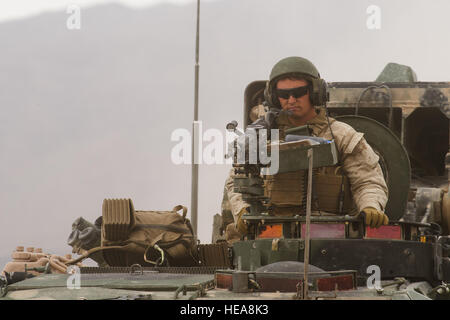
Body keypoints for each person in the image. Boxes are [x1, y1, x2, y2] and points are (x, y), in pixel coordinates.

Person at [224, 56, 389, 239]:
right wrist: (242, 211)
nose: (292, 100)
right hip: (272, 234)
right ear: (273, 97)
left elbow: (368, 180)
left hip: (330, 234)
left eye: (299, 92)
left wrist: (370, 206)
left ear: (315, 92)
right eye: (284, 95)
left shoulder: (341, 135)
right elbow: (236, 180)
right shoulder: (261, 137)